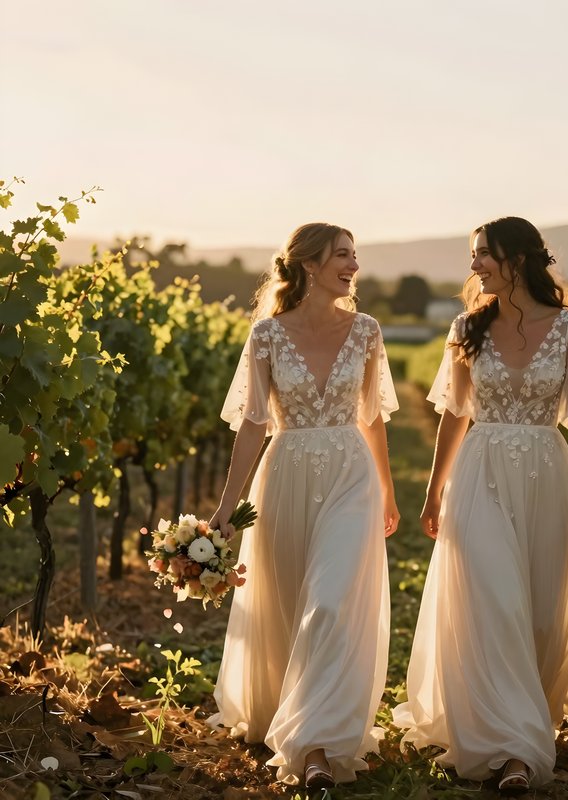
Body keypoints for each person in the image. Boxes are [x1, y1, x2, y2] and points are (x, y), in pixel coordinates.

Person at [392, 216, 568, 794]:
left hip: (547, 475)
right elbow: (454, 414)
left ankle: (531, 718)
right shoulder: (468, 328)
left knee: (542, 607)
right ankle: (511, 747)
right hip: (481, 471)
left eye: (482, 255)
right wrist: (433, 488)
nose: (474, 266)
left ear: (517, 258)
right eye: (473, 256)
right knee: (495, 598)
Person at [208, 222, 400, 789]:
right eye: (343, 255)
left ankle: (316, 743)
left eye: (355, 255)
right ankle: (285, 711)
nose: (354, 265)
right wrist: (226, 506)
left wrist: (387, 489)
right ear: (310, 266)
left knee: (331, 600)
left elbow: (372, 418)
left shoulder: (367, 331)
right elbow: (251, 427)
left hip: (350, 476)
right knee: (290, 602)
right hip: (285, 476)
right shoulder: (266, 335)